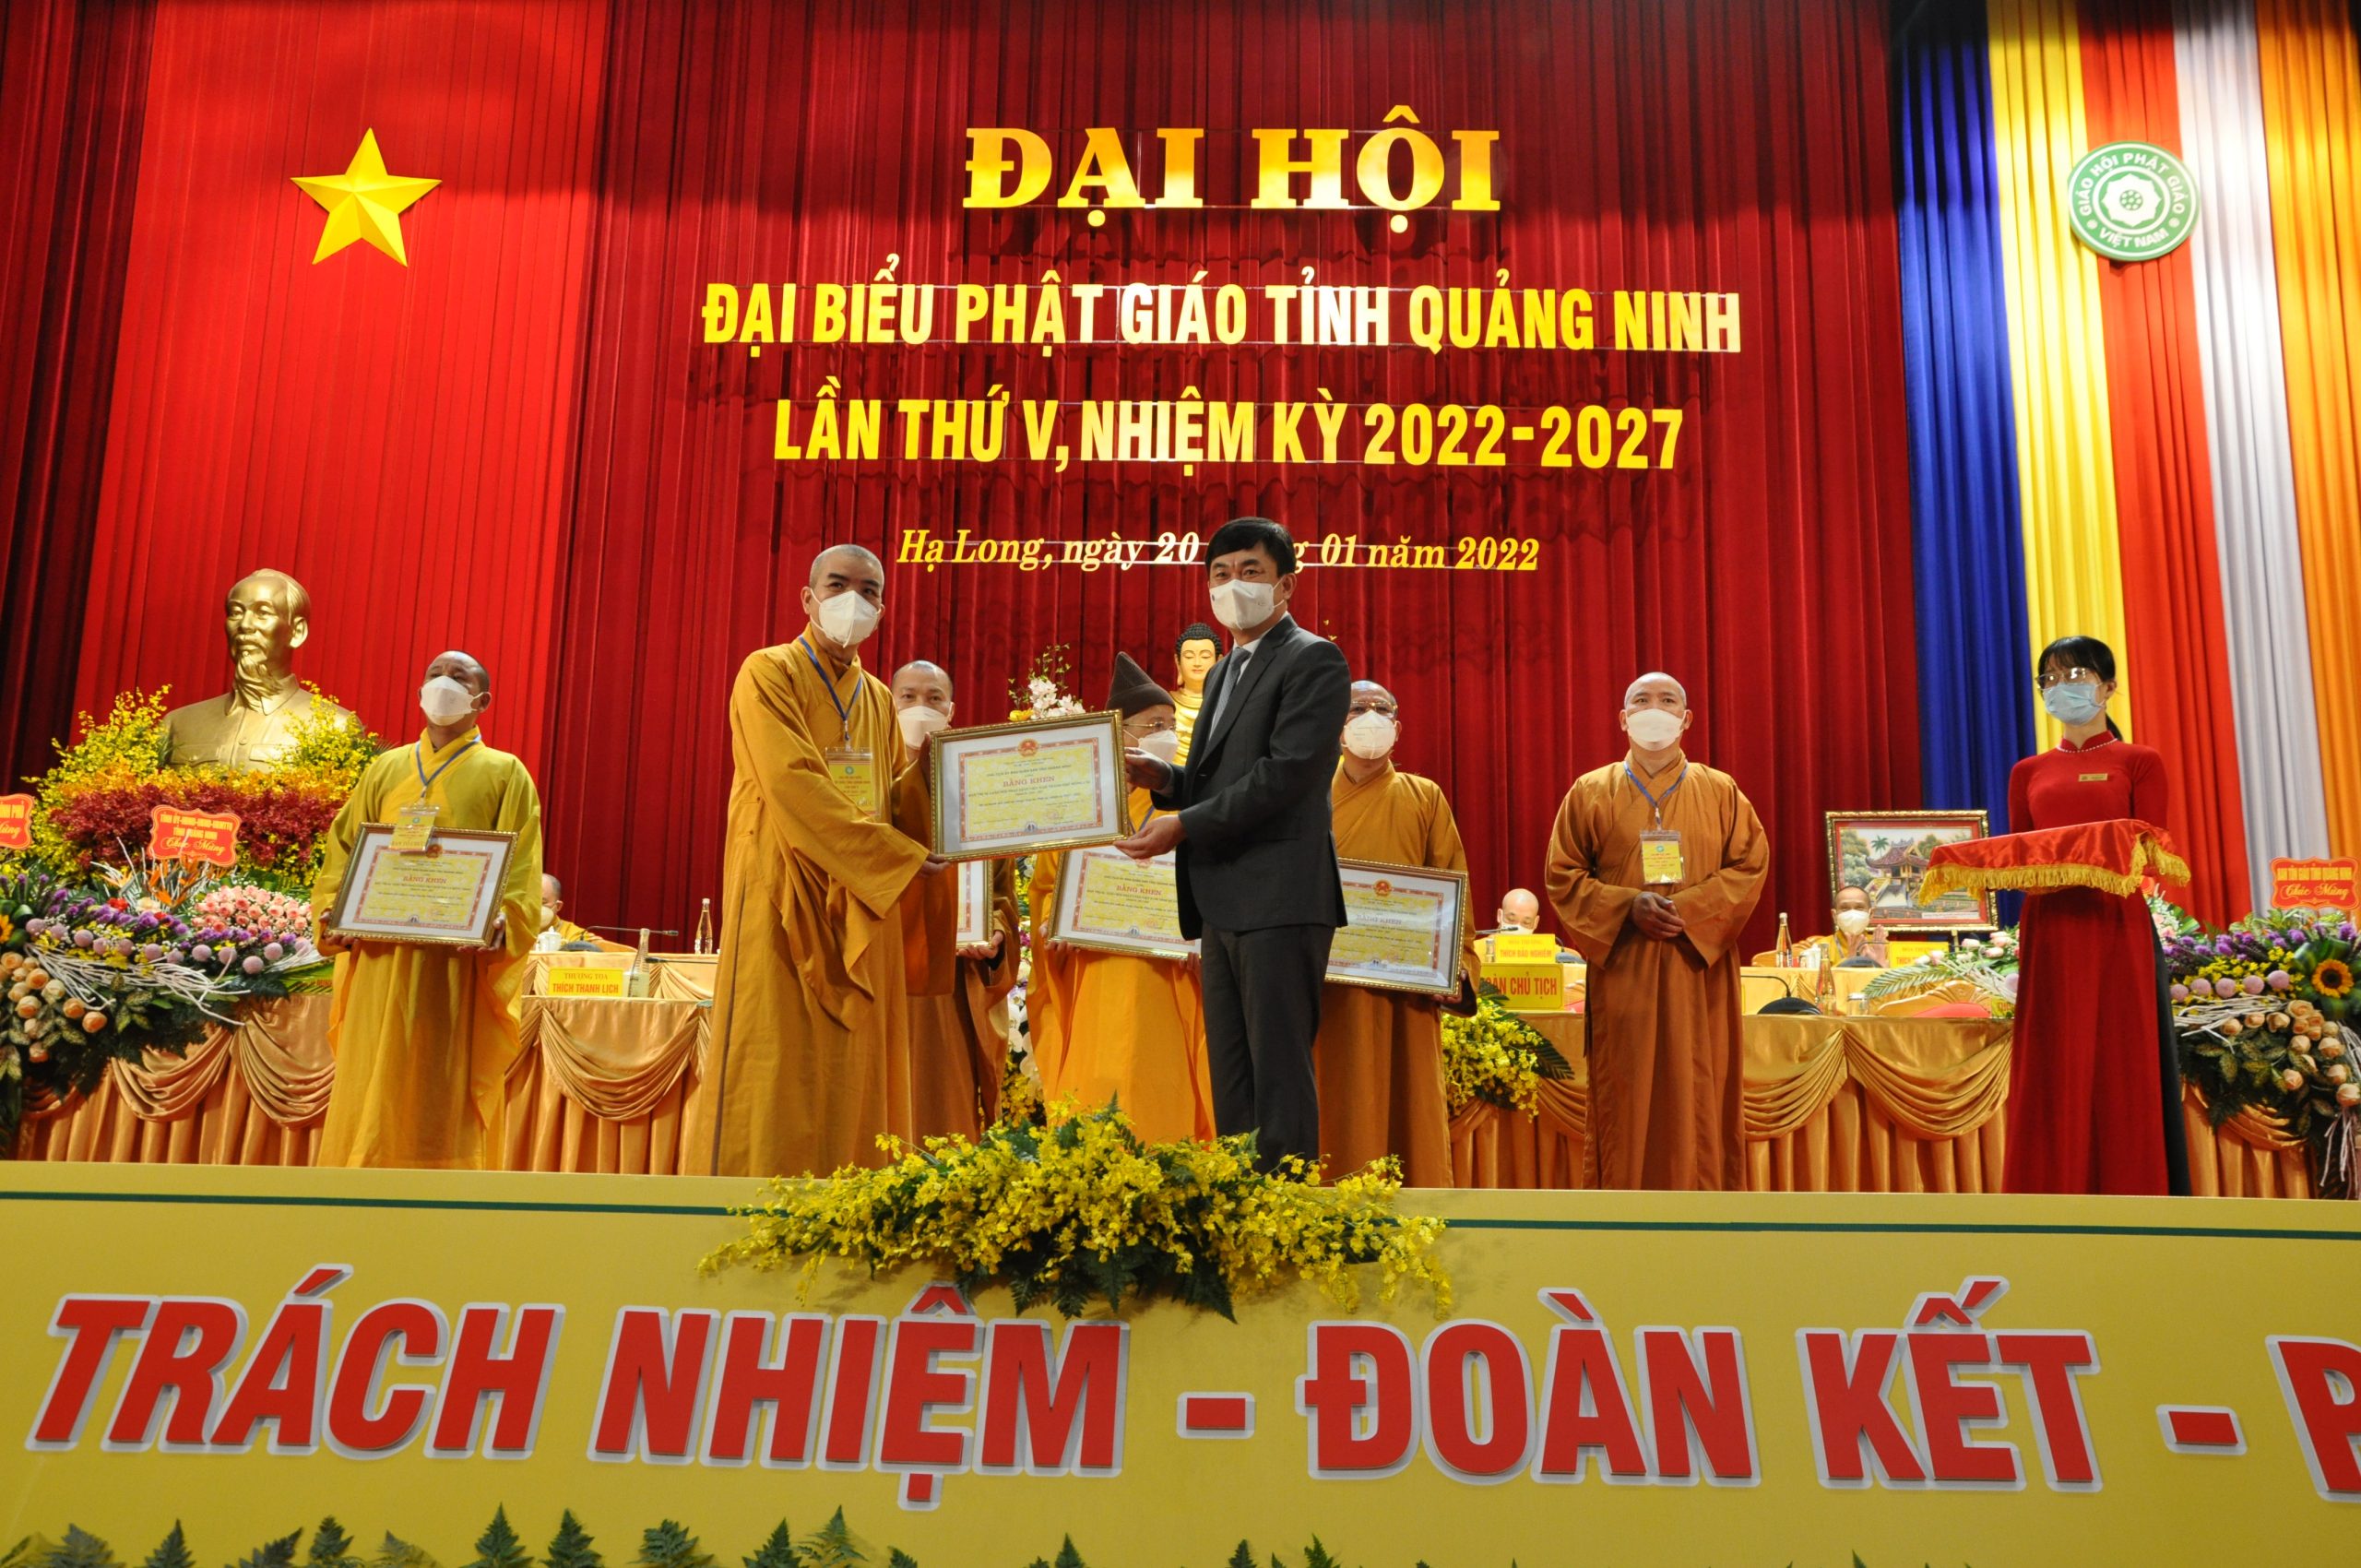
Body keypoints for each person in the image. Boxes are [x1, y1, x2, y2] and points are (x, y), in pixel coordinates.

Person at [694, 544, 940, 1178]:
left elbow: (892, 802)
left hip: (861, 892)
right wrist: (891, 854)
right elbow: (791, 780)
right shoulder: (768, 671)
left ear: (883, 609)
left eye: (870, 590)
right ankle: (751, 1198)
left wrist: (948, 779)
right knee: (776, 1053)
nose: (853, 600)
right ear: (808, 597)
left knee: (855, 1063)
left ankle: (853, 1199)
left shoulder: (878, 697)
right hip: (784, 883)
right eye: (838, 585)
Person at [1120, 517, 1351, 1170]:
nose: (1233, 585)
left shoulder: (1312, 659)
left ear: (1286, 585)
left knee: (1277, 1073)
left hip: (1280, 895)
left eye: (1251, 571)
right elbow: (1219, 777)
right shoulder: (1224, 673)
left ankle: (1287, 1209)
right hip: (1223, 897)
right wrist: (1165, 779)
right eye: (1220, 574)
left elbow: (1286, 774)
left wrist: (1184, 824)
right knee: (1233, 1072)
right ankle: (1240, 1204)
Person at [310, 651, 543, 1169]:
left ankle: (442, 1187)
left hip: (451, 965)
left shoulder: (505, 772)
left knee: (439, 1083)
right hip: (379, 957)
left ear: (482, 701)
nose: (444, 683)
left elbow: (523, 864)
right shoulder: (386, 768)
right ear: (419, 693)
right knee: (370, 1077)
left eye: (459, 677)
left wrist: (503, 920)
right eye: (435, 674)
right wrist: (333, 910)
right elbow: (342, 850)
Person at [1543, 672, 1769, 1190]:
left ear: (1686, 719)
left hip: (1698, 966)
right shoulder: (1590, 791)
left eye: (1667, 701)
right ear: (1623, 719)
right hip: (1626, 965)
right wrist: (1627, 906)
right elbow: (1563, 875)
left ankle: (1704, 1206)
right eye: (1641, 700)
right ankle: (1624, 1205)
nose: (1654, 709)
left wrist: (1686, 910)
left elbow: (1750, 866)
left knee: (1700, 1084)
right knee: (1626, 1089)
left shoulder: (1721, 790)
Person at [2006, 636, 2184, 1196]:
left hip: (2114, 922)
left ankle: (2133, 1188)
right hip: (2048, 925)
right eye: (2051, 679)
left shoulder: (2139, 761)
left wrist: (2088, 855)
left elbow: (2152, 848)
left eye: (2076, 675)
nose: (2063, 687)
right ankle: (2048, 1187)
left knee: (2120, 1055)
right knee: (2052, 1056)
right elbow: (2019, 854)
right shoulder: (2027, 771)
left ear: (2108, 687)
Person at [1028, 654, 1216, 1143]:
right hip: (1095, 971)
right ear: (1119, 732)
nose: (1166, 734)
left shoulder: (1187, 804)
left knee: (1166, 1090)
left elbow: (1212, 878)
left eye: (1171, 725)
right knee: (1097, 1088)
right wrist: (1054, 923)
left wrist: (1205, 938)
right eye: (1153, 725)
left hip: (1170, 976)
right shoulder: (1080, 802)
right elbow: (1047, 884)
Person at [1311, 681, 1474, 1186]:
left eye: (1382, 709)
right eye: (1357, 708)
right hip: (1323, 985)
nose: (1370, 716)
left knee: (1407, 1099)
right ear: (1335, 725)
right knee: (1327, 1098)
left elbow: (1453, 882)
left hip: (1404, 989)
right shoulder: (1306, 794)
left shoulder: (1424, 797)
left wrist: (1456, 964)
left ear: (1398, 729)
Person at [890, 659, 1019, 1139]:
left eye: (934, 698)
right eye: (908, 697)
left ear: (952, 711)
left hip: (952, 984)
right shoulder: (863, 780)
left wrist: (996, 935)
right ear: (889, 705)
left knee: (942, 1109)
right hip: (883, 970)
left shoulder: (977, 788)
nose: (920, 707)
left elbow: (1001, 892)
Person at [163, 569, 355, 769]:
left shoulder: (336, 727)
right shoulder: (178, 724)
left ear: (297, 631)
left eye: (263, 613)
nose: (245, 625)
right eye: (236, 613)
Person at [1169, 622, 1222, 764]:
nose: (1197, 663)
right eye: (1189, 656)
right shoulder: (1167, 705)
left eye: (1205, 656)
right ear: (1178, 662)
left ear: (1219, 661)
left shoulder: (1226, 704)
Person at [535, 873, 622, 951]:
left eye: (542, 902)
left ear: (558, 906)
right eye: (530, 902)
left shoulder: (575, 935)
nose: (533, 908)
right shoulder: (524, 930)